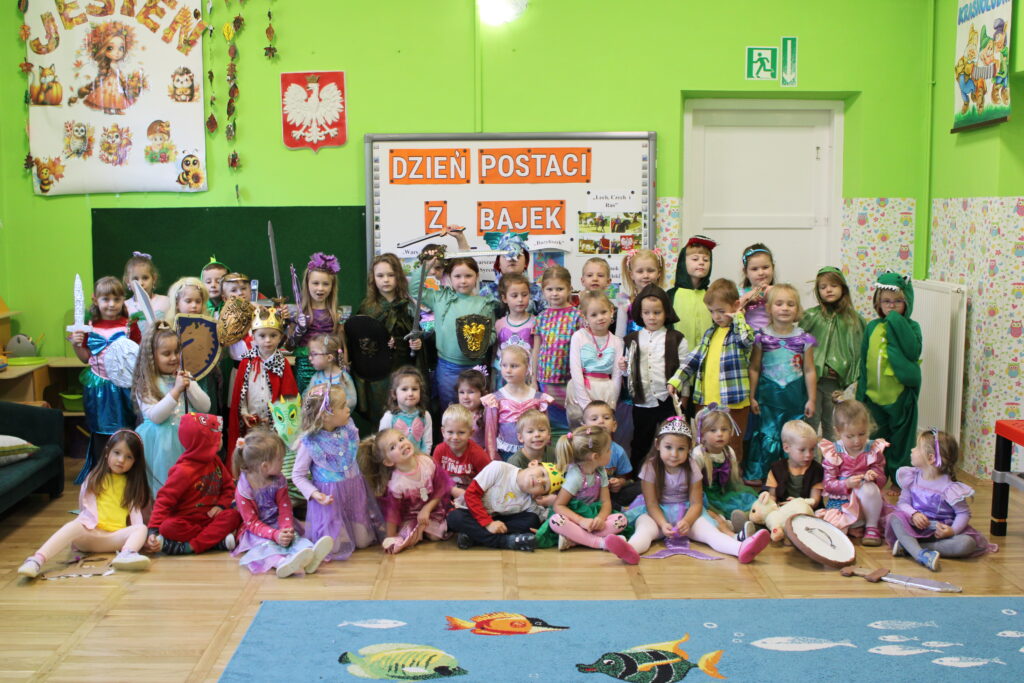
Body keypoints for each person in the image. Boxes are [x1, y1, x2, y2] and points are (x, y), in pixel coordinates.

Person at [625, 418, 771, 562]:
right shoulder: (650, 467)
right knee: (644, 530)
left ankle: (741, 549)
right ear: (658, 445)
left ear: (689, 448)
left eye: (681, 449)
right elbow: (651, 504)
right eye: (668, 447)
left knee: (711, 534)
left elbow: (696, 503)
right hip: (657, 514)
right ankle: (630, 549)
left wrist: (687, 521)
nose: (674, 454)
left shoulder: (691, 466)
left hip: (687, 512)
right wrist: (662, 524)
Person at [19, 430, 152, 578]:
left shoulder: (132, 485)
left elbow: (136, 517)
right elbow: (85, 508)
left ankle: (126, 555)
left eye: (129, 457)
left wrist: (142, 540)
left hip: (114, 539)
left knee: (141, 528)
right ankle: (36, 560)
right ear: (107, 452)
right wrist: (84, 526)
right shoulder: (95, 477)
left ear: (135, 462)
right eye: (117, 453)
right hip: (90, 536)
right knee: (74, 524)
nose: (121, 460)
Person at [293, 385, 384, 562]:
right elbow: (298, 475)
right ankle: (309, 536)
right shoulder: (310, 442)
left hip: (353, 493)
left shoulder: (348, 429)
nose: (348, 409)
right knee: (333, 548)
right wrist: (314, 494)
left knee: (363, 542)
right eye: (342, 406)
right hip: (330, 500)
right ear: (326, 416)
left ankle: (349, 527)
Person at [667, 278, 754, 464]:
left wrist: (738, 316)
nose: (716, 316)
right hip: (706, 401)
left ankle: (731, 478)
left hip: (733, 402)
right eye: (712, 312)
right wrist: (676, 379)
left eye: (721, 311)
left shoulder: (739, 332)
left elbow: (746, 340)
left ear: (736, 305)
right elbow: (693, 358)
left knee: (732, 446)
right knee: (704, 444)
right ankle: (707, 477)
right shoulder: (710, 333)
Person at [885, 429, 998, 572]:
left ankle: (910, 547)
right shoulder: (912, 477)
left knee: (967, 543)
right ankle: (920, 554)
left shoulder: (950, 488)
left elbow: (963, 513)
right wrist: (914, 514)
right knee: (895, 518)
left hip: (939, 533)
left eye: (917, 448)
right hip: (914, 527)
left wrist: (952, 531)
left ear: (931, 458)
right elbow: (902, 503)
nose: (912, 450)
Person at [410, 229, 496, 409]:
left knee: (475, 411)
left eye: (468, 276)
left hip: (475, 367)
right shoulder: (440, 298)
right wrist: (427, 266)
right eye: (457, 276)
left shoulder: (484, 303)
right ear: (449, 277)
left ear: (476, 277)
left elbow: (493, 333)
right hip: (447, 367)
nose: (463, 281)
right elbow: (414, 289)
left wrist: (482, 341)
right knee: (449, 409)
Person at [231, 429, 333, 578]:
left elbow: (285, 508)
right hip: (257, 531)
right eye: (280, 459)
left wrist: (286, 528)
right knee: (266, 548)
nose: (283, 462)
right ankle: (282, 564)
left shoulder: (279, 480)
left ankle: (311, 555)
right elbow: (251, 523)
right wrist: (274, 534)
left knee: (294, 539)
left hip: (278, 524)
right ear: (265, 466)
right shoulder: (244, 490)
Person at [70, 275, 141, 483]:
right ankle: (101, 477)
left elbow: (137, 355)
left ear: (123, 300)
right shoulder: (89, 326)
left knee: (125, 429)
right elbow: (85, 358)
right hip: (99, 388)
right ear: (95, 300)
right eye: (106, 299)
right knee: (101, 431)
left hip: (123, 388)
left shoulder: (129, 325)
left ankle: (127, 477)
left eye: (116, 299)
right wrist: (76, 344)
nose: (111, 304)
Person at [744, 284, 817, 485]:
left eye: (790, 304)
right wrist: (752, 396)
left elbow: (809, 370)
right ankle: (762, 474)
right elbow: (754, 368)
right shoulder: (761, 337)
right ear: (769, 308)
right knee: (767, 434)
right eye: (779, 304)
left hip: (794, 398)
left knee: (793, 436)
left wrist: (811, 399)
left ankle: (792, 477)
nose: (785, 308)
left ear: (797, 309)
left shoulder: (804, 338)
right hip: (768, 398)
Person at [534, 426, 638, 563]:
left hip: (593, 515)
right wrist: (581, 521)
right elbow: (559, 505)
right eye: (608, 449)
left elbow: (606, 502)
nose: (611, 452)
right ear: (595, 457)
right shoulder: (576, 476)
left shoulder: (601, 471)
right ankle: (601, 543)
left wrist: (600, 518)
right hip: (574, 517)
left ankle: (575, 539)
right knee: (556, 521)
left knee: (621, 520)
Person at [146, 413, 242, 555]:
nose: (222, 436)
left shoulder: (216, 462)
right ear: (205, 443)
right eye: (217, 436)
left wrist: (221, 506)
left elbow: (228, 488)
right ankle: (211, 542)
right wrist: (153, 529)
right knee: (168, 527)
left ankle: (191, 546)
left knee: (234, 515)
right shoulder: (183, 471)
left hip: (209, 518)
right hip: (186, 521)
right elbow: (164, 500)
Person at [132, 321, 210, 494]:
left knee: (187, 484)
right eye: (166, 354)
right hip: (159, 444)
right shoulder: (147, 382)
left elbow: (205, 406)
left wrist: (189, 385)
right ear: (152, 356)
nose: (174, 358)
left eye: (177, 351)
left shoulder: (184, 377)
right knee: (165, 486)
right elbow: (156, 416)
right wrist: (176, 390)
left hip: (186, 440)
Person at [856, 271, 922, 477]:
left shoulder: (912, 326)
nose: (891, 306)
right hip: (874, 396)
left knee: (901, 440)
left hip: (899, 396)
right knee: (875, 438)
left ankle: (898, 476)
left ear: (907, 302)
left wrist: (895, 320)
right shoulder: (872, 327)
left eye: (897, 301)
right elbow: (864, 360)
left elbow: (912, 350)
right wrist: (861, 393)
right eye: (886, 301)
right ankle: (876, 473)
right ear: (878, 303)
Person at [357, 429, 453, 555]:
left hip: (433, 509)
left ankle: (424, 532)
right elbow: (393, 513)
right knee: (406, 535)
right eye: (393, 447)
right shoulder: (397, 484)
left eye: (401, 439)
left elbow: (441, 487)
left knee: (436, 535)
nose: (401, 444)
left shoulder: (427, 462)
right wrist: (391, 537)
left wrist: (427, 509)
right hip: (411, 517)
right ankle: (417, 533)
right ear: (388, 462)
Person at [620, 285, 686, 465]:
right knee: (640, 441)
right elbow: (628, 372)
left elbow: (684, 370)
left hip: (668, 400)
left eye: (657, 312)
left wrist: (684, 397)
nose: (652, 317)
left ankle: (670, 473)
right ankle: (636, 474)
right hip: (642, 401)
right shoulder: (632, 339)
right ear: (640, 314)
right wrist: (623, 367)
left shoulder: (676, 338)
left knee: (671, 440)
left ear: (666, 313)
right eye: (647, 313)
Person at [356, 253, 424, 424]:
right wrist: (379, 343)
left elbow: (416, 333)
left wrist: (416, 344)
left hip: (402, 368)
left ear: (398, 276)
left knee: (402, 413)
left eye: (390, 275)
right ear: (373, 278)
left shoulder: (408, 305)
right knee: (381, 414)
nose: (385, 280)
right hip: (377, 373)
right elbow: (360, 340)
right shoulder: (368, 306)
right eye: (380, 275)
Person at [228, 306, 299, 464]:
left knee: (270, 455)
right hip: (251, 423)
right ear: (253, 337)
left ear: (280, 337)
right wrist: (244, 412)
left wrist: (274, 419)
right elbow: (241, 394)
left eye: (273, 335)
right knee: (253, 457)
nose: (268, 340)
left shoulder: (282, 363)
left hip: (273, 425)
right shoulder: (246, 362)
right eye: (262, 335)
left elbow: (288, 398)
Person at [801, 267, 865, 441]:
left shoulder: (854, 320)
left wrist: (850, 376)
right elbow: (797, 342)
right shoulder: (811, 316)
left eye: (833, 285)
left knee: (832, 423)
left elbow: (859, 351)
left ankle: (832, 457)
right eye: (823, 287)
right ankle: (811, 456)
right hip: (813, 380)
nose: (828, 290)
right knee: (811, 421)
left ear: (843, 288)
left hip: (835, 382)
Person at [447, 460, 562, 552]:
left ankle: (473, 537)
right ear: (533, 463)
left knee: (532, 520)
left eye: (544, 486)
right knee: (454, 517)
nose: (539, 481)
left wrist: (541, 532)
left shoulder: (530, 502)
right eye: (542, 474)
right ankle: (505, 542)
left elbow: (540, 522)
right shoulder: (499, 468)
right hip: (471, 513)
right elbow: (471, 494)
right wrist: (488, 523)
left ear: (539, 495)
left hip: (496, 519)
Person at [817, 396, 888, 546]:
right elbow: (828, 484)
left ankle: (871, 527)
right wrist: (846, 484)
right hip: (843, 503)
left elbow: (882, 479)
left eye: (862, 434)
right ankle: (852, 527)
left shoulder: (872, 449)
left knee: (869, 489)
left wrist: (874, 476)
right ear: (838, 431)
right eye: (850, 436)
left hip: (867, 506)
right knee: (832, 530)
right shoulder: (834, 451)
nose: (857, 441)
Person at [532, 265, 584, 433]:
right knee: (549, 425)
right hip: (545, 380)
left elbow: (583, 350)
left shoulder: (577, 316)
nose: (554, 293)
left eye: (560, 289)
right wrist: (533, 379)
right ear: (543, 291)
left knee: (572, 423)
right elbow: (536, 350)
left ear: (569, 289)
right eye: (550, 289)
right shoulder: (541, 317)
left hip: (569, 380)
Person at [288, 252, 347, 395]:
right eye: (315, 283)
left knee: (331, 402)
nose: (320, 288)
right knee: (308, 401)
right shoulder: (298, 314)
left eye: (325, 284)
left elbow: (342, 346)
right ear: (307, 284)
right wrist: (299, 329)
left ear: (332, 286)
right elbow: (289, 345)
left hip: (330, 367)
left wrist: (344, 367)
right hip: (305, 366)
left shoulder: (337, 314)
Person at [483, 344, 553, 461]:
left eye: (514, 366)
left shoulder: (539, 399)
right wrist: (493, 459)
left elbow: (545, 428)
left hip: (534, 454)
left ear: (527, 367)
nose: (508, 370)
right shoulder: (495, 400)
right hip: (506, 455)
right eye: (504, 365)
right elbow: (490, 434)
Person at [566, 291, 623, 428]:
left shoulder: (617, 341)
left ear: (611, 311)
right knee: (582, 433)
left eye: (603, 312)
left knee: (603, 432)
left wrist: (611, 404)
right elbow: (575, 370)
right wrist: (585, 404)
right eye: (594, 315)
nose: (600, 318)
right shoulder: (579, 337)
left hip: (605, 392)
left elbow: (617, 375)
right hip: (581, 390)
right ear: (585, 317)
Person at [691, 404, 757, 520]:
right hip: (705, 495)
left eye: (724, 429)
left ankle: (746, 517)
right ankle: (733, 521)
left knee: (749, 500)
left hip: (724, 492)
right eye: (713, 430)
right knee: (716, 511)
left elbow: (733, 481)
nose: (720, 434)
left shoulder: (728, 452)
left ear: (730, 432)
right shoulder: (699, 454)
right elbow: (692, 485)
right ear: (703, 434)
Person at [580, 400, 640, 510]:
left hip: (610, 495)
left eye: (606, 418)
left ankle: (613, 507)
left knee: (641, 486)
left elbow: (623, 477)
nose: (601, 421)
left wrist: (619, 483)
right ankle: (615, 509)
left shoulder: (618, 451)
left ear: (614, 425)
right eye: (594, 419)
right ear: (585, 427)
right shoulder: (581, 448)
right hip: (584, 495)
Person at [433, 405, 491, 501]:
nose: (455, 437)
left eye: (461, 432)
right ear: (443, 432)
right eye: (450, 432)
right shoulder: (439, 450)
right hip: (445, 493)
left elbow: (488, 479)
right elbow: (435, 477)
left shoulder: (478, 454)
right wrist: (451, 490)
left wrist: (471, 494)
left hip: (472, 496)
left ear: (471, 433)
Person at [478, 232, 545, 316]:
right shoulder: (487, 292)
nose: (512, 259)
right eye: (506, 255)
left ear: (525, 262)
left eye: (518, 255)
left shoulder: (537, 292)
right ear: (498, 263)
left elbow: (547, 320)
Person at [669, 235, 717, 352]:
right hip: (678, 356)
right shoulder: (670, 296)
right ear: (683, 263)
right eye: (695, 259)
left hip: (707, 355)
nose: (701, 263)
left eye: (706, 260)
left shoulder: (713, 295)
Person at [492, 273, 537, 391]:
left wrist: (534, 378)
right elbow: (495, 352)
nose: (520, 299)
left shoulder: (536, 322)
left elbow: (537, 351)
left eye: (524, 295)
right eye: (514, 296)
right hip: (504, 378)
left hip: (527, 378)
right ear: (504, 298)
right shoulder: (499, 324)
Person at [765, 420, 824, 508]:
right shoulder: (776, 469)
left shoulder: (816, 469)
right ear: (786, 448)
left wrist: (799, 504)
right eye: (802, 450)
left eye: (812, 449)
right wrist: (769, 502)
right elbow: (772, 496)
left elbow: (815, 501)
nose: (808, 455)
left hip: (808, 510)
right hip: (781, 509)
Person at [379, 366, 433, 455]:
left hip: (418, 460)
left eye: (414, 389)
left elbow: (427, 443)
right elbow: (383, 444)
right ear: (394, 394)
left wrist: (423, 459)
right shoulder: (389, 417)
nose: (410, 393)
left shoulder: (425, 415)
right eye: (404, 389)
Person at [615, 248, 666, 336]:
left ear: (659, 273)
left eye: (650, 271)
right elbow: (619, 336)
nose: (645, 275)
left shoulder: (664, 300)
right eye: (640, 271)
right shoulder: (625, 301)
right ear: (631, 275)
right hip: (632, 344)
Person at [302, 332, 357, 412]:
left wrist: (335, 407)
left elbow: (352, 401)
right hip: (320, 418)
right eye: (309, 354)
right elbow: (307, 396)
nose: (310, 358)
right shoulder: (316, 377)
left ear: (329, 358)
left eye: (314, 354)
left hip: (339, 417)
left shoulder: (344, 378)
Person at [123, 251, 171, 324]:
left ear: (154, 279)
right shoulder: (125, 306)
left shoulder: (166, 302)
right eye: (135, 279)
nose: (140, 283)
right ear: (128, 281)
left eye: (145, 278)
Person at [738, 243, 775, 331]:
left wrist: (776, 295)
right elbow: (730, 314)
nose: (761, 273)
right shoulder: (740, 293)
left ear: (773, 268)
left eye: (765, 267)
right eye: (754, 269)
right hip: (749, 337)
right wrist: (746, 298)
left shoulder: (780, 291)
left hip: (773, 338)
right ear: (746, 272)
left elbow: (795, 314)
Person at [456, 368, 488, 449]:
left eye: (470, 392)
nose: (465, 397)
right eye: (461, 392)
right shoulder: (455, 413)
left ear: (482, 393)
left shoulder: (485, 414)